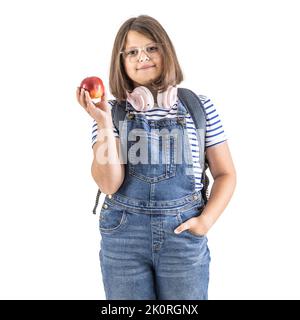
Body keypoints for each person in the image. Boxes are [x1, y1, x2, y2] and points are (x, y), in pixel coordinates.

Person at [76, 15, 236, 300]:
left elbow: (226, 174)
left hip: (182, 236)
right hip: (123, 239)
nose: (143, 57)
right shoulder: (110, 113)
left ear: (166, 51)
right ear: (121, 61)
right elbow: (109, 184)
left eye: (151, 48)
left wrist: (205, 222)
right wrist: (102, 123)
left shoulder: (198, 107)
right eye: (132, 52)